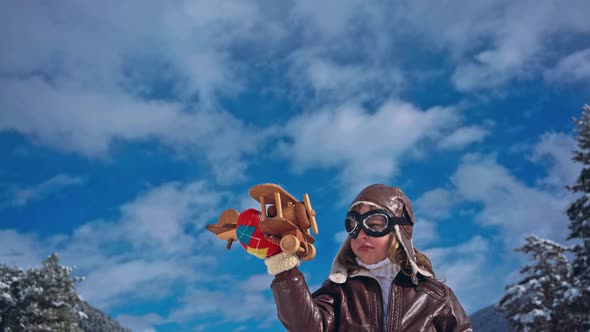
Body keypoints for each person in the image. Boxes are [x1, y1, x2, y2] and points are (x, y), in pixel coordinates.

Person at [263, 184, 473, 331]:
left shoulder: (435, 296)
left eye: (374, 225)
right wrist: (284, 269)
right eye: (353, 226)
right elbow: (306, 327)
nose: (361, 234)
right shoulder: (340, 291)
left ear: (399, 232)